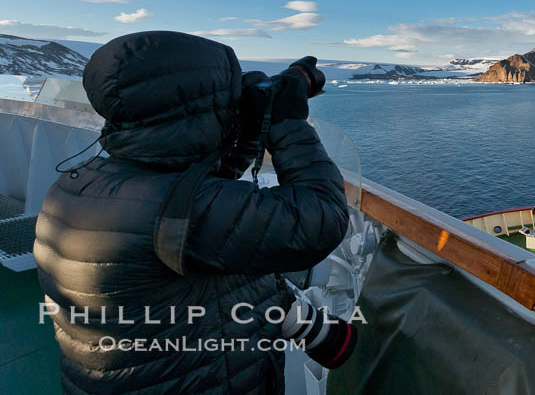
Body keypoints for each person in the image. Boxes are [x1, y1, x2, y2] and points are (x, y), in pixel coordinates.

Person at [33, 31, 351, 394]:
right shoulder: (183, 209)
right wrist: (288, 121)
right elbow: (321, 217)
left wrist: (245, 127)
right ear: (194, 107)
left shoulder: (86, 183)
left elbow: (203, 186)